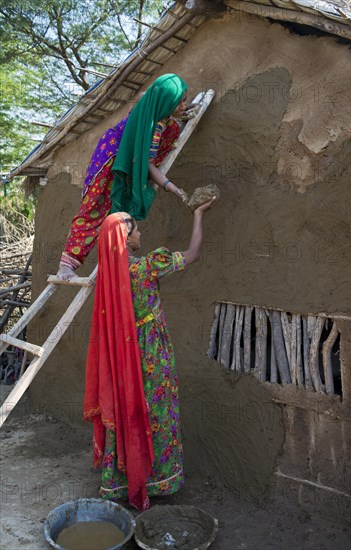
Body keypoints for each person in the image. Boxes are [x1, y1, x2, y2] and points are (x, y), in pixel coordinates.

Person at [83, 198, 216, 510]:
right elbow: (194, 254)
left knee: (127, 411)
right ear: (126, 239)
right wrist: (198, 215)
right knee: (157, 412)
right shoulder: (147, 267)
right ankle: (155, 479)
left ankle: (120, 480)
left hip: (121, 357)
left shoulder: (109, 279)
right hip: (151, 352)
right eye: (137, 230)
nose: (141, 234)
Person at [57, 73, 190, 282]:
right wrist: (171, 187)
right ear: (165, 103)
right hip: (111, 159)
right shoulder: (154, 127)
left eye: (185, 100)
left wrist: (179, 114)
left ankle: (118, 253)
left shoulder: (157, 115)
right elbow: (147, 165)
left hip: (130, 158)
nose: (184, 105)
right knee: (95, 209)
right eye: (179, 102)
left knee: (119, 213)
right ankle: (66, 264)